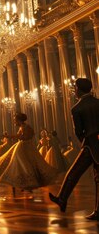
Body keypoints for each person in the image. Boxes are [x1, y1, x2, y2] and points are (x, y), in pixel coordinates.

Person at [50, 78, 99, 219]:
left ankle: (62, 199)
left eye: (75, 87)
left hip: (90, 145)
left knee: (73, 173)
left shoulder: (76, 108)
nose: (74, 90)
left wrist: (85, 141)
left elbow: (79, 132)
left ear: (78, 88)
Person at [0, 113, 57, 195]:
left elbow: (24, 136)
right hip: (26, 146)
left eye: (15, 120)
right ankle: (26, 184)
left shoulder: (24, 127)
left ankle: (27, 183)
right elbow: (25, 135)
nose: (14, 122)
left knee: (22, 164)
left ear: (19, 120)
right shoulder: (24, 127)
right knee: (24, 164)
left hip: (23, 147)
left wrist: (10, 136)